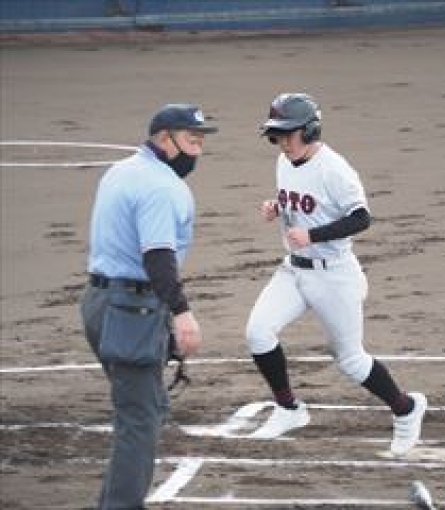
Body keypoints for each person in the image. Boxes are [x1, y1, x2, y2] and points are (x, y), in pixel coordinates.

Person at [245, 92, 427, 456]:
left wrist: (313, 235)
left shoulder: (335, 169)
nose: (281, 142)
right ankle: (289, 409)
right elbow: (302, 201)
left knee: (351, 360)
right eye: (276, 135)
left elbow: (361, 218)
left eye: (287, 134)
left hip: (334, 276)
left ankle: (406, 409)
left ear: (310, 131)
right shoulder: (285, 162)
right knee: (258, 333)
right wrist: (277, 207)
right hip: (294, 270)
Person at [80, 103, 218, 509]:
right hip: (131, 310)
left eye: (201, 141)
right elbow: (157, 258)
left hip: (98, 303)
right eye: (191, 140)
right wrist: (182, 312)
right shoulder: (161, 187)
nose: (197, 150)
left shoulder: (120, 170)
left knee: (147, 406)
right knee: (139, 419)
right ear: (164, 138)